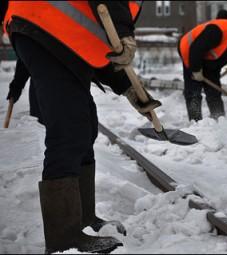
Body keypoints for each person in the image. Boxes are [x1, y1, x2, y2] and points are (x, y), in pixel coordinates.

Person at [3, 1, 161, 253]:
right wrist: (124, 33)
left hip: (57, 33)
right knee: (68, 128)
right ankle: (63, 237)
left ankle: (83, 217)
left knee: (85, 125)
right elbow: (109, 31)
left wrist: (128, 88)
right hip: (43, 24)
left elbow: (97, 45)